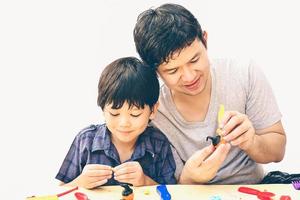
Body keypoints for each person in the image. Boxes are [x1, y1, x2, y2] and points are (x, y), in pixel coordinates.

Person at [133, 3, 286, 184]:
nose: (189, 77)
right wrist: (190, 177)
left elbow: (278, 151)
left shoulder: (244, 73)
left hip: (254, 190)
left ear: (205, 40)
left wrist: (251, 141)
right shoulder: (152, 112)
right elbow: (171, 188)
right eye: (173, 71)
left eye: (194, 59)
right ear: (155, 72)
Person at [56, 57, 176, 189]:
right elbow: (59, 191)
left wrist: (145, 182)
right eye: (114, 114)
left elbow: (173, 193)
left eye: (135, 114)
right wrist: (80, 183)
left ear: (152, 110)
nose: (124, 123)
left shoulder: (158, 143)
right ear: (103, 109)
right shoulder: (85, 140)